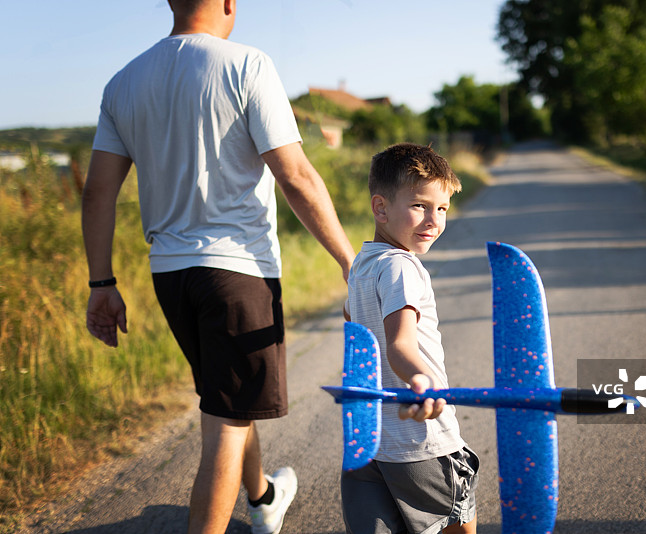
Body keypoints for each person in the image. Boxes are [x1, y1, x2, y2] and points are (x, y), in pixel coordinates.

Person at [81, 1, 355, 533]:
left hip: (171, 275)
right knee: (227, 425)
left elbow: (97, 192)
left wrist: (102, 283)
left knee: (225, 399)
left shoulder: (123, 82)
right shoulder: (248, 64)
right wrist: (350, 261)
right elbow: (294, 174)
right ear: (229, 2)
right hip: (238, 273)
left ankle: (263, 499)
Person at [342, 143, 479, 534]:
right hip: (423, 439)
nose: (433, 220)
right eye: (420, 205)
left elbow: (354, 325)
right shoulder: (403, 267)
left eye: (442, 209)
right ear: (381, 208)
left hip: (372, 441)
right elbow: (400, 344)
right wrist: (422, 381)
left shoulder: (362, 266)